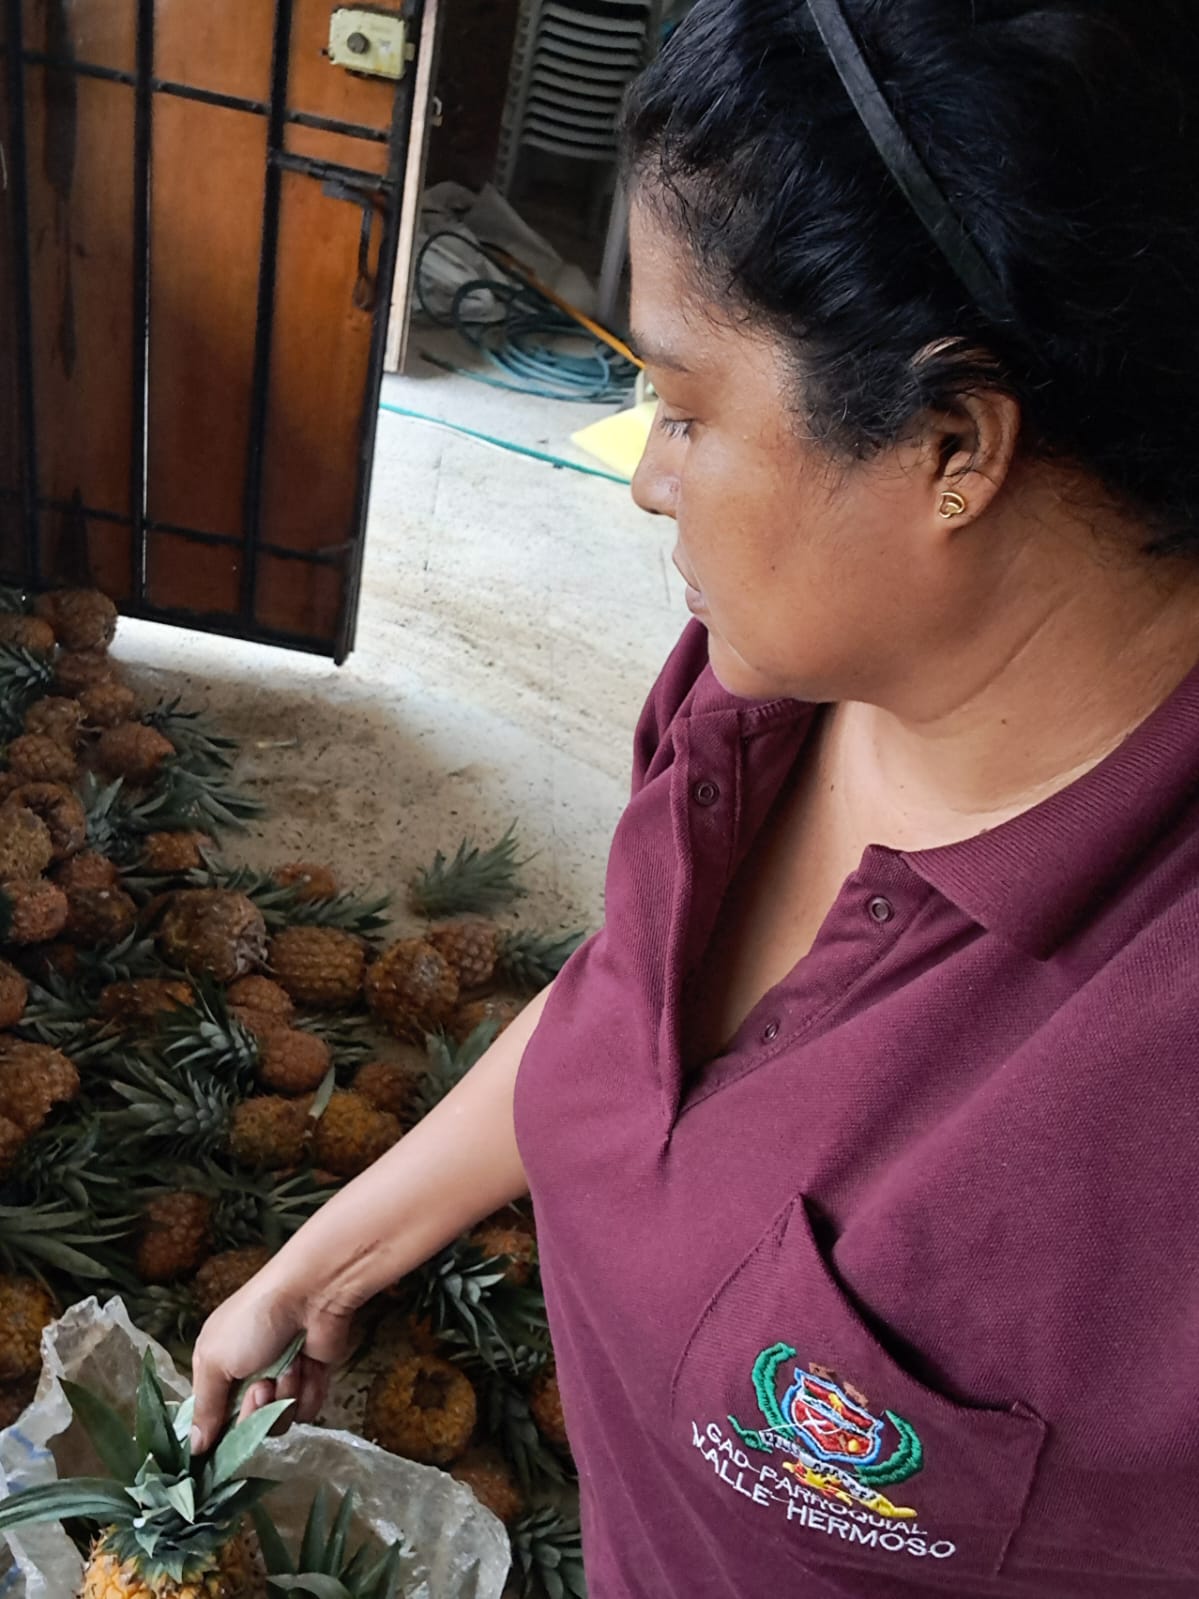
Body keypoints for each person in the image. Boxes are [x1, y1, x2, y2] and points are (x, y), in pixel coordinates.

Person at [192, 2, 1199, 1593]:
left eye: (684, 406)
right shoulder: (761, 693)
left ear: (954, 444)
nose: (648, 478)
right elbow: (630, 997)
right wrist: (332, 1257)